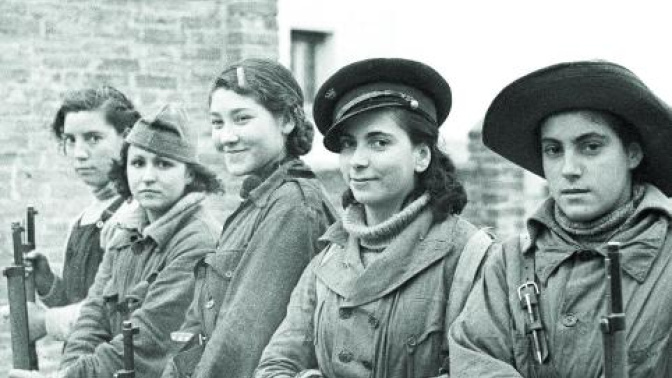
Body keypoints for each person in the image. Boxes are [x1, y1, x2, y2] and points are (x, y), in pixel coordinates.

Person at [254, 57, 494, 378]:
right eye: (348, 145)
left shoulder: (471, 257)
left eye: (378, 143)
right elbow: (276, 364)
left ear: (421, 156)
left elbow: (483, 368)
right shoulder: (328, 260)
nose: (357, 161)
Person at [448, 61, 672, 377]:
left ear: (632, 154)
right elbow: (474, 359)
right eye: (553, 150)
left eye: (590, 147)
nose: (569, 168)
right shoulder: (509, 263)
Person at [9, 104, 223, 378]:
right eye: (138, 163)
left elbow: (148, 342)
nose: (147, 177)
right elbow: (92, 318)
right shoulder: (125, 235)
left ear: (190, 173)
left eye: (163, 164)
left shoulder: (198, 242)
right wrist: (68, 370)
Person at [160, 58, 337, 378]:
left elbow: (241, 341)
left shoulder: (292, 207)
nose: (226, 137)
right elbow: (197, 329)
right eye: (217, 123)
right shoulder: (257, 204)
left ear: (285, 121)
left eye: (241, 119)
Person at [2, 86, 141, 342]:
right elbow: (80, 301)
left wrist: (44, 322)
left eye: (93, 138)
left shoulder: (134, 215)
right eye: (71, 140)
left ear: (127, 137)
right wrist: (48, 284)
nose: (79, 153)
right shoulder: (83, 219)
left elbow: (117, 313)